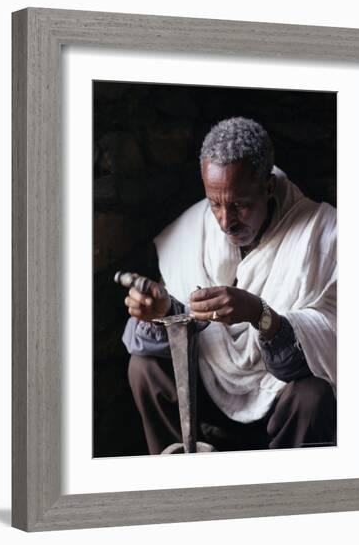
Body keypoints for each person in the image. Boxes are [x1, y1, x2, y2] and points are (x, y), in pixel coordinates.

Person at [122, 116, 337, 454]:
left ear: (267, 187)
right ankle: (176, 480)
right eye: (215, 203)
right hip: (210, 389)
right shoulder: (195, 230)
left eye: (239, 204)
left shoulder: (322, 234)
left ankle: (284, 494)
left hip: (279, 399)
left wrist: (258, 313)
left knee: (314, 395)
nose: (225, 221)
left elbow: (327, 348)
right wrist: (164, 311)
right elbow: (185, 329)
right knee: (144, 367)